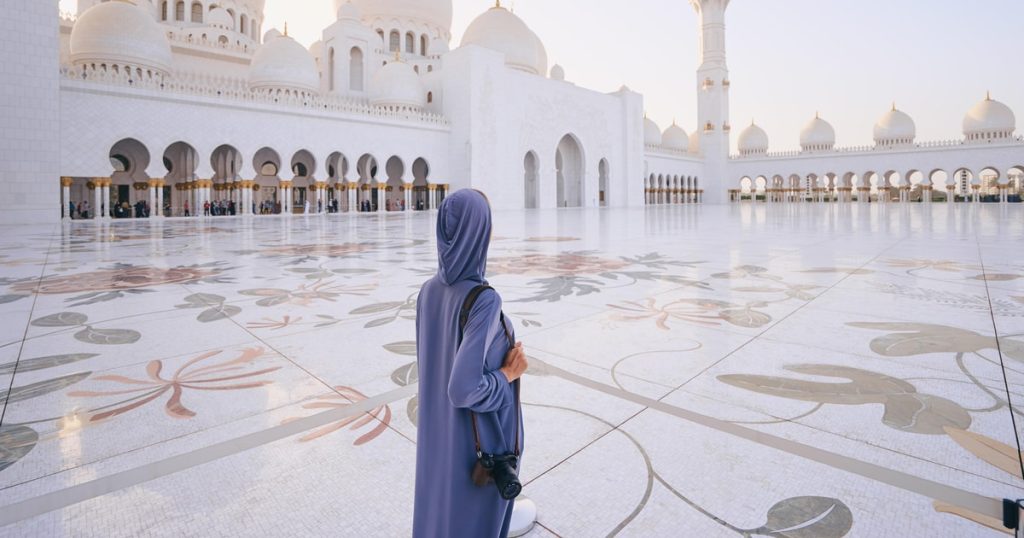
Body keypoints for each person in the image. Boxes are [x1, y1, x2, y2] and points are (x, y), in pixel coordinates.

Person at [413, 189, 528, 538]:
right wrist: (509, 372)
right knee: (474, 518)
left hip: (439, 432)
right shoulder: (484, 300)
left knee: (443, 506)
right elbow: (462, 389)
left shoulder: (428, 291)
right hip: (477, 441)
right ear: (478, 232)